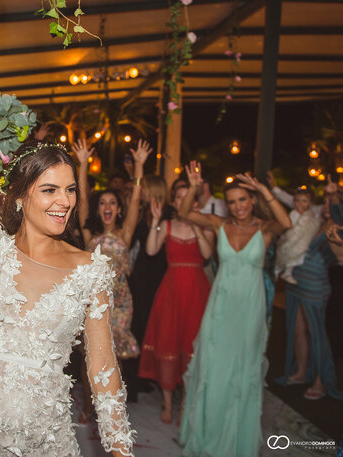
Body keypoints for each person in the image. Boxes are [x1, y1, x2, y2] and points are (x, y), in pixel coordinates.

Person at [0, 90, 134, 456]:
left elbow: (103, 368)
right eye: (50, 190)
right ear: (20, 197)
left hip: (45, 438)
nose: (65, 201)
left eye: (70, 190)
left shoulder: (91, 270)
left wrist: (121, 450)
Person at [178, 161, 291, 457]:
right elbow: (184, 213)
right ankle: (208, 435)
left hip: (249, 310)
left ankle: (236, 442)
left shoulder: (265, 229)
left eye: (243, 199)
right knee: (213, 369)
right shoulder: (221, 225)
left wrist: (264, 189)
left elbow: (287, 223)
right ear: (226, 206)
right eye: (232, 202)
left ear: (252, 200)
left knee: (243, 370)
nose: (238, 206)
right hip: (220, 309)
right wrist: (192, 187)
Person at [74, 138, 149, 421]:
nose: (108, 206)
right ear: (99, 208)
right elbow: (81, 198)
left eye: (113, 203)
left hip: (120, 304)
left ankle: (112, 404)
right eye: (103, 202)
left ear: (119, 209)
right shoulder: (89, 235)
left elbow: (137, 198)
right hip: (93, 303)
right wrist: (82, 164)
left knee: (114, 358)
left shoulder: (125, 234)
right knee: (89, 356)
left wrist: (139, 167)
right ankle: (89, 404)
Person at [138, 185, 214, 424]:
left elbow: (207, 254)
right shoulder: (167, 226)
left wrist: (197, 227)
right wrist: (156, 222)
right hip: (171, 291)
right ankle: (168, 403)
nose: (183, 201)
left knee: (191, 342)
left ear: (195, 203)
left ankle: (186, 403)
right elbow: (151, 250)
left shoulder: (207, 227)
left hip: (197, 292)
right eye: (179, 197)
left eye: (187, 197)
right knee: (168, 341)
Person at [275, 178, 343, 401]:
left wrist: (333, 198)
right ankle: (301, 372)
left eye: (331, 202)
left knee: (317, 334)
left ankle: (321, 381)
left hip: (316, 287)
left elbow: (338, 257)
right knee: (297, 329)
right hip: (296, 285)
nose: (326, 206)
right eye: (324, 201)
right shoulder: (314, 221)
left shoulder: (337, 229)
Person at [127, 174, 170, 401]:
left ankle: (143, 378)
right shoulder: (144, 213)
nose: (141, 191)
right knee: (137, 327)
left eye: (143, 188)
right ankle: (135, 380)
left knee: (148, 327)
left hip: (157, 276)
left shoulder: (167, 214)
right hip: (141, 276)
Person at [274, 187, 321, 284]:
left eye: (304, 201)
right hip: (290, 240)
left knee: (297, 257)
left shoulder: (311, 214)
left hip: (302, 242)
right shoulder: (293, 213)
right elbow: (289, 227)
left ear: (311, 203)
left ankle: (288, 272)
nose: (300, 204)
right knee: (283, 257)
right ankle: (276, 272)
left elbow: (311, 227)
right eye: (297, 201)